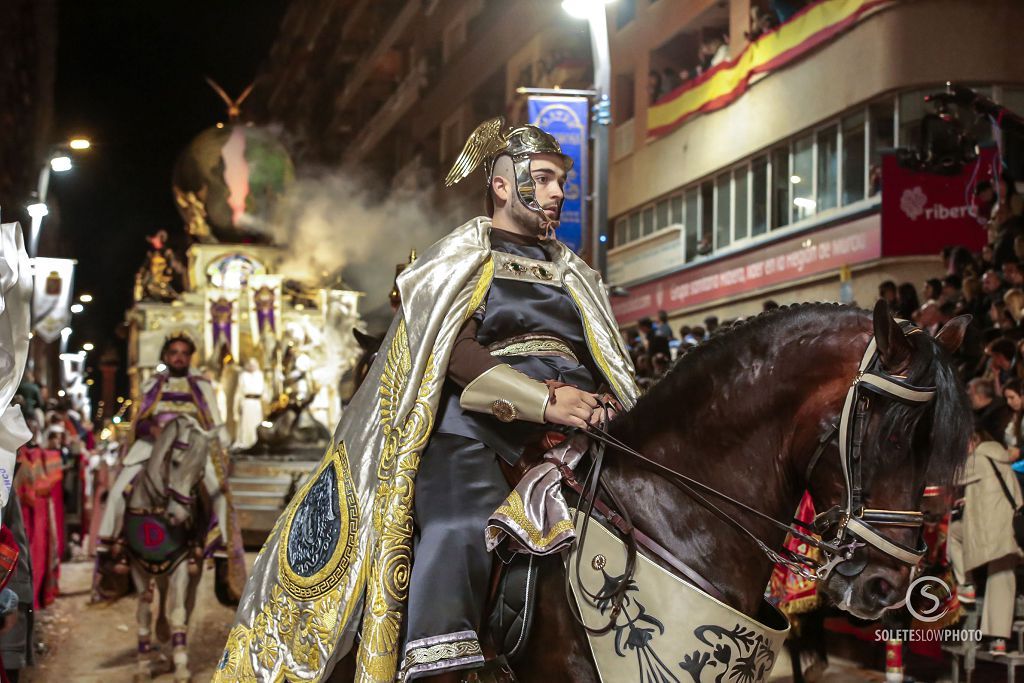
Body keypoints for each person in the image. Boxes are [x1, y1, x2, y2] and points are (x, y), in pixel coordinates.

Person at [216, 118, 638, 682]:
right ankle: (441, 668)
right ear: (503, 185)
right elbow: (453, 351)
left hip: (578, 424)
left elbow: (603, 355)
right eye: (544, 178)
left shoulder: (575, 273)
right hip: (473, 425)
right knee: (458, 526)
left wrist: (604, 399)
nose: (560, 191)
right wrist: (543, 400)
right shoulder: (460, 256)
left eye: (563, 179)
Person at [96, 333, 232, 573]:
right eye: (173, 353)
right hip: (153, 446)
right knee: (119, 490)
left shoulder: (202, 385)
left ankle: (218, 548)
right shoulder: (153, 384)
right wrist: (153, 429)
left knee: (217, 493)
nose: (178, 358)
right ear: (166, 356)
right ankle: (113, 544)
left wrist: (220, 444)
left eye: (183, 353)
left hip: (191, 448)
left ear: (190, 357)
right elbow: (139, 421)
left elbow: (215, 421)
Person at [948, 430, 1022, 655]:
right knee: (1002, 578)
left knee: (952, 534)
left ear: (973, 441)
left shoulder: (978, 459)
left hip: (987, 533)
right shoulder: (1000, 458)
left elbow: (950, 477)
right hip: (1009, 532)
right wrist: (970, 499)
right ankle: (999, 641)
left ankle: (966, 584)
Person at [968, 377, 1012, 447]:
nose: (969, 398)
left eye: (971, 395)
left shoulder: (1000, 411)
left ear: (980, 396)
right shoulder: (975, 412)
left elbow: (997, 438)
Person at [233, 358, 265, 450]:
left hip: (257, 403)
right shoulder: (243, 376)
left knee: (257, 423)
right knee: (246, 424)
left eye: (253, 364)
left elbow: (263, 391)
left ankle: (256, 441)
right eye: (250, 364)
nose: (252, 366)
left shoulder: (259, 375)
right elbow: (239, 393)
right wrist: (236, 408)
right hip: (247, 402)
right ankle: (246, 443)